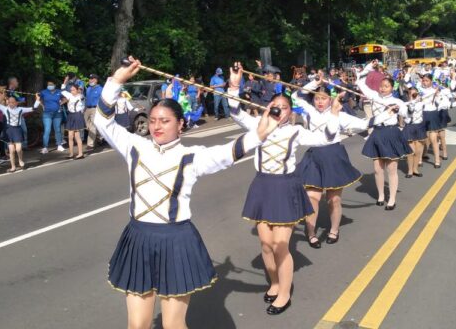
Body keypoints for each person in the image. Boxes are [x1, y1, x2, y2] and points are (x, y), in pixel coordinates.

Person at [94, 57, 271, 329]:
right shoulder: (134, 146)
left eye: (164, 120)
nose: (156, 126)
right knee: (137, 325)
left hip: (176, 240)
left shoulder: (192, 156)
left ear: (181, 124)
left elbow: (227, 154)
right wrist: (117, 81)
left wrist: (258, 135)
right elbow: (103, 121)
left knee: (173, 326)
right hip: (138, 237)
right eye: (153, 120)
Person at [228, 62, 339, 315]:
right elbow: (235, 111)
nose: (279, 111)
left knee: (280, 245)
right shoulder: (259, 125)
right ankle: (275, 283)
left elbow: (326, 139)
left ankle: (285, 293)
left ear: (291, 111)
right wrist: (235, 85)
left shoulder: (297, 131)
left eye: (285, 107)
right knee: (266, 245)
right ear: (269, 107)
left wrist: (333, 113)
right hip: (262, 185)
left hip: (286, 186)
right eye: (275, 106)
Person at [292, 79, 365, 249]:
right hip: (314, 156)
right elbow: (295, 96)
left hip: (334, 156)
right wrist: (313, 82)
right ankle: (310, 232)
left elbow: (363, 124)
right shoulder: (308, 111)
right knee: (313, 197)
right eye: (317, 98)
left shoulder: (340, 115)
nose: (319, 102)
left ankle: (334, 230)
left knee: (334, 199)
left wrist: (387, 113)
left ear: (331, 100)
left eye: (323, 98)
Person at [356, 63, 413, 207]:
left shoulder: (397, 101)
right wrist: (369, 68)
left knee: (392, 168)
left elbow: (407, 116)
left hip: (392, 133)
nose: (383, 88)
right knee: (377, 168)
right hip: (377, 133)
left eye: (386, 86)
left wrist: (404, 108)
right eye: (382, 85)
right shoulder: (374, 95)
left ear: (392, 88)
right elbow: (360, 82)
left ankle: (392, 198)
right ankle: (381, 195)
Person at [0, 92, 42, 172]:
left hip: (17, 129)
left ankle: (20, 160)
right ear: (7, 103)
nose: (11, 104)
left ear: (16, 103)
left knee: (19, 149)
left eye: (13, 102)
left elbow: (33, 108)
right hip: (9, 130)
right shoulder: (5, 109)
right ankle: (13, 166)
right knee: (11, 150)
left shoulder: (21, 109)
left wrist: (37, 99)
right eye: (9, 102)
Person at [403, 87, 426, 178]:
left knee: (417, 151)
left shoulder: (422, 103)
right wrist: (412, 101)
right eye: (411, 94)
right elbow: (409, 111)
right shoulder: (406, 104)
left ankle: (415, 169)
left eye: (415, 94)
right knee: (410, 152)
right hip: (410, 127)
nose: (413, 96)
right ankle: (409, 170)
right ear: (408, 95)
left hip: (419, 127)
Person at [61, 80, 85, 159]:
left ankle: (80, 153)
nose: (71, 91)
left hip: (77, 115)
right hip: (71, 116)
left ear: (77, 90)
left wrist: (79, 91)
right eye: (71, 90)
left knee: (77, 136)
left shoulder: (80, 96)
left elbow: (81, 97)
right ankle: (71, 154)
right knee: (70, 136)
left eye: (73, 90)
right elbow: (63, 90)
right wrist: (65, 81)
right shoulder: (69, 95)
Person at [39, 80, 65, 154]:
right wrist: (43, 105)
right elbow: (38, 98)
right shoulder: (44, 92)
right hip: (47, 113)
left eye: (51, 84)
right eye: (48, 84)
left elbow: (65, 98)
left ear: (55, 85)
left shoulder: (59, 92)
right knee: (47, 129)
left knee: (57, 129)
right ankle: (45, 147)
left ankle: (59, 145)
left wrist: (61, 103)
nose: (49, 85)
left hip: (57, 113)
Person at [84, 74, 103, 150]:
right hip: (87, 109)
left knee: (92, 126)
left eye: (92, 79)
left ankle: (90, 144)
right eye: (90, 79)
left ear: (96, 80)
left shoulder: (100, 89)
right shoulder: (88, 88)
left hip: (95, 109)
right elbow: (87, 99)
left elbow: (102, 100)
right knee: (86, 126)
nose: (90, 80)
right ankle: (100, 137)